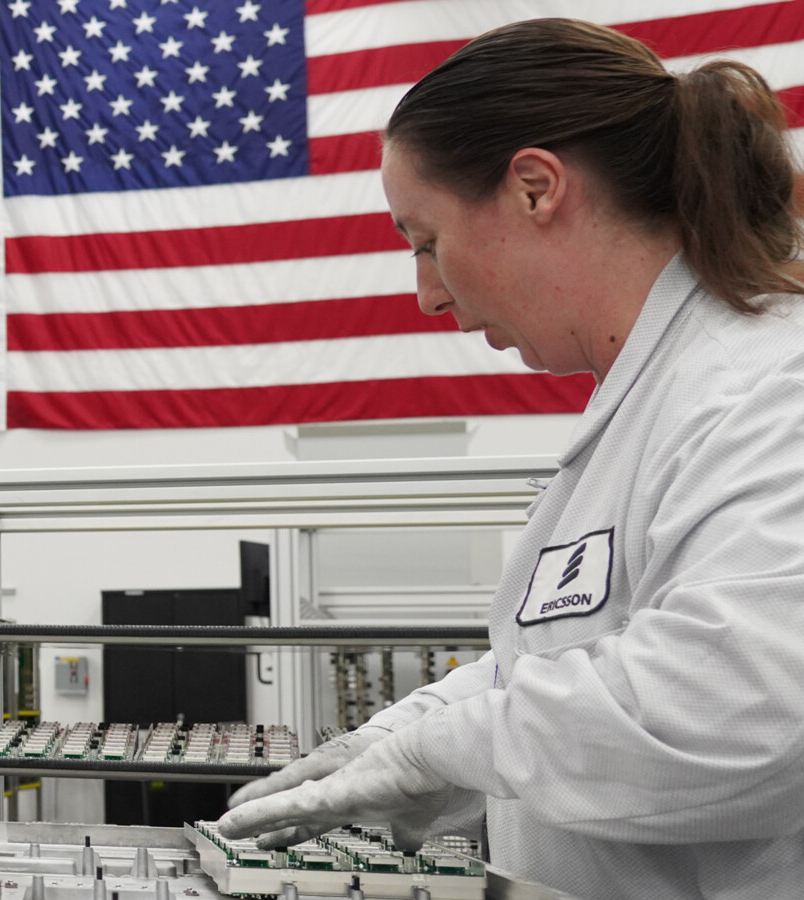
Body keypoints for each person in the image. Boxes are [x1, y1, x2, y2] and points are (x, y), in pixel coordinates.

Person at [217, 17, 804, 900]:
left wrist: (437, 751)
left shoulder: (765, 388)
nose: (425, 294)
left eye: (425, 240)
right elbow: (569, 661)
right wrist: (400, 735)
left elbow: (742, 711)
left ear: (535, 188)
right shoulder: (651, 399)